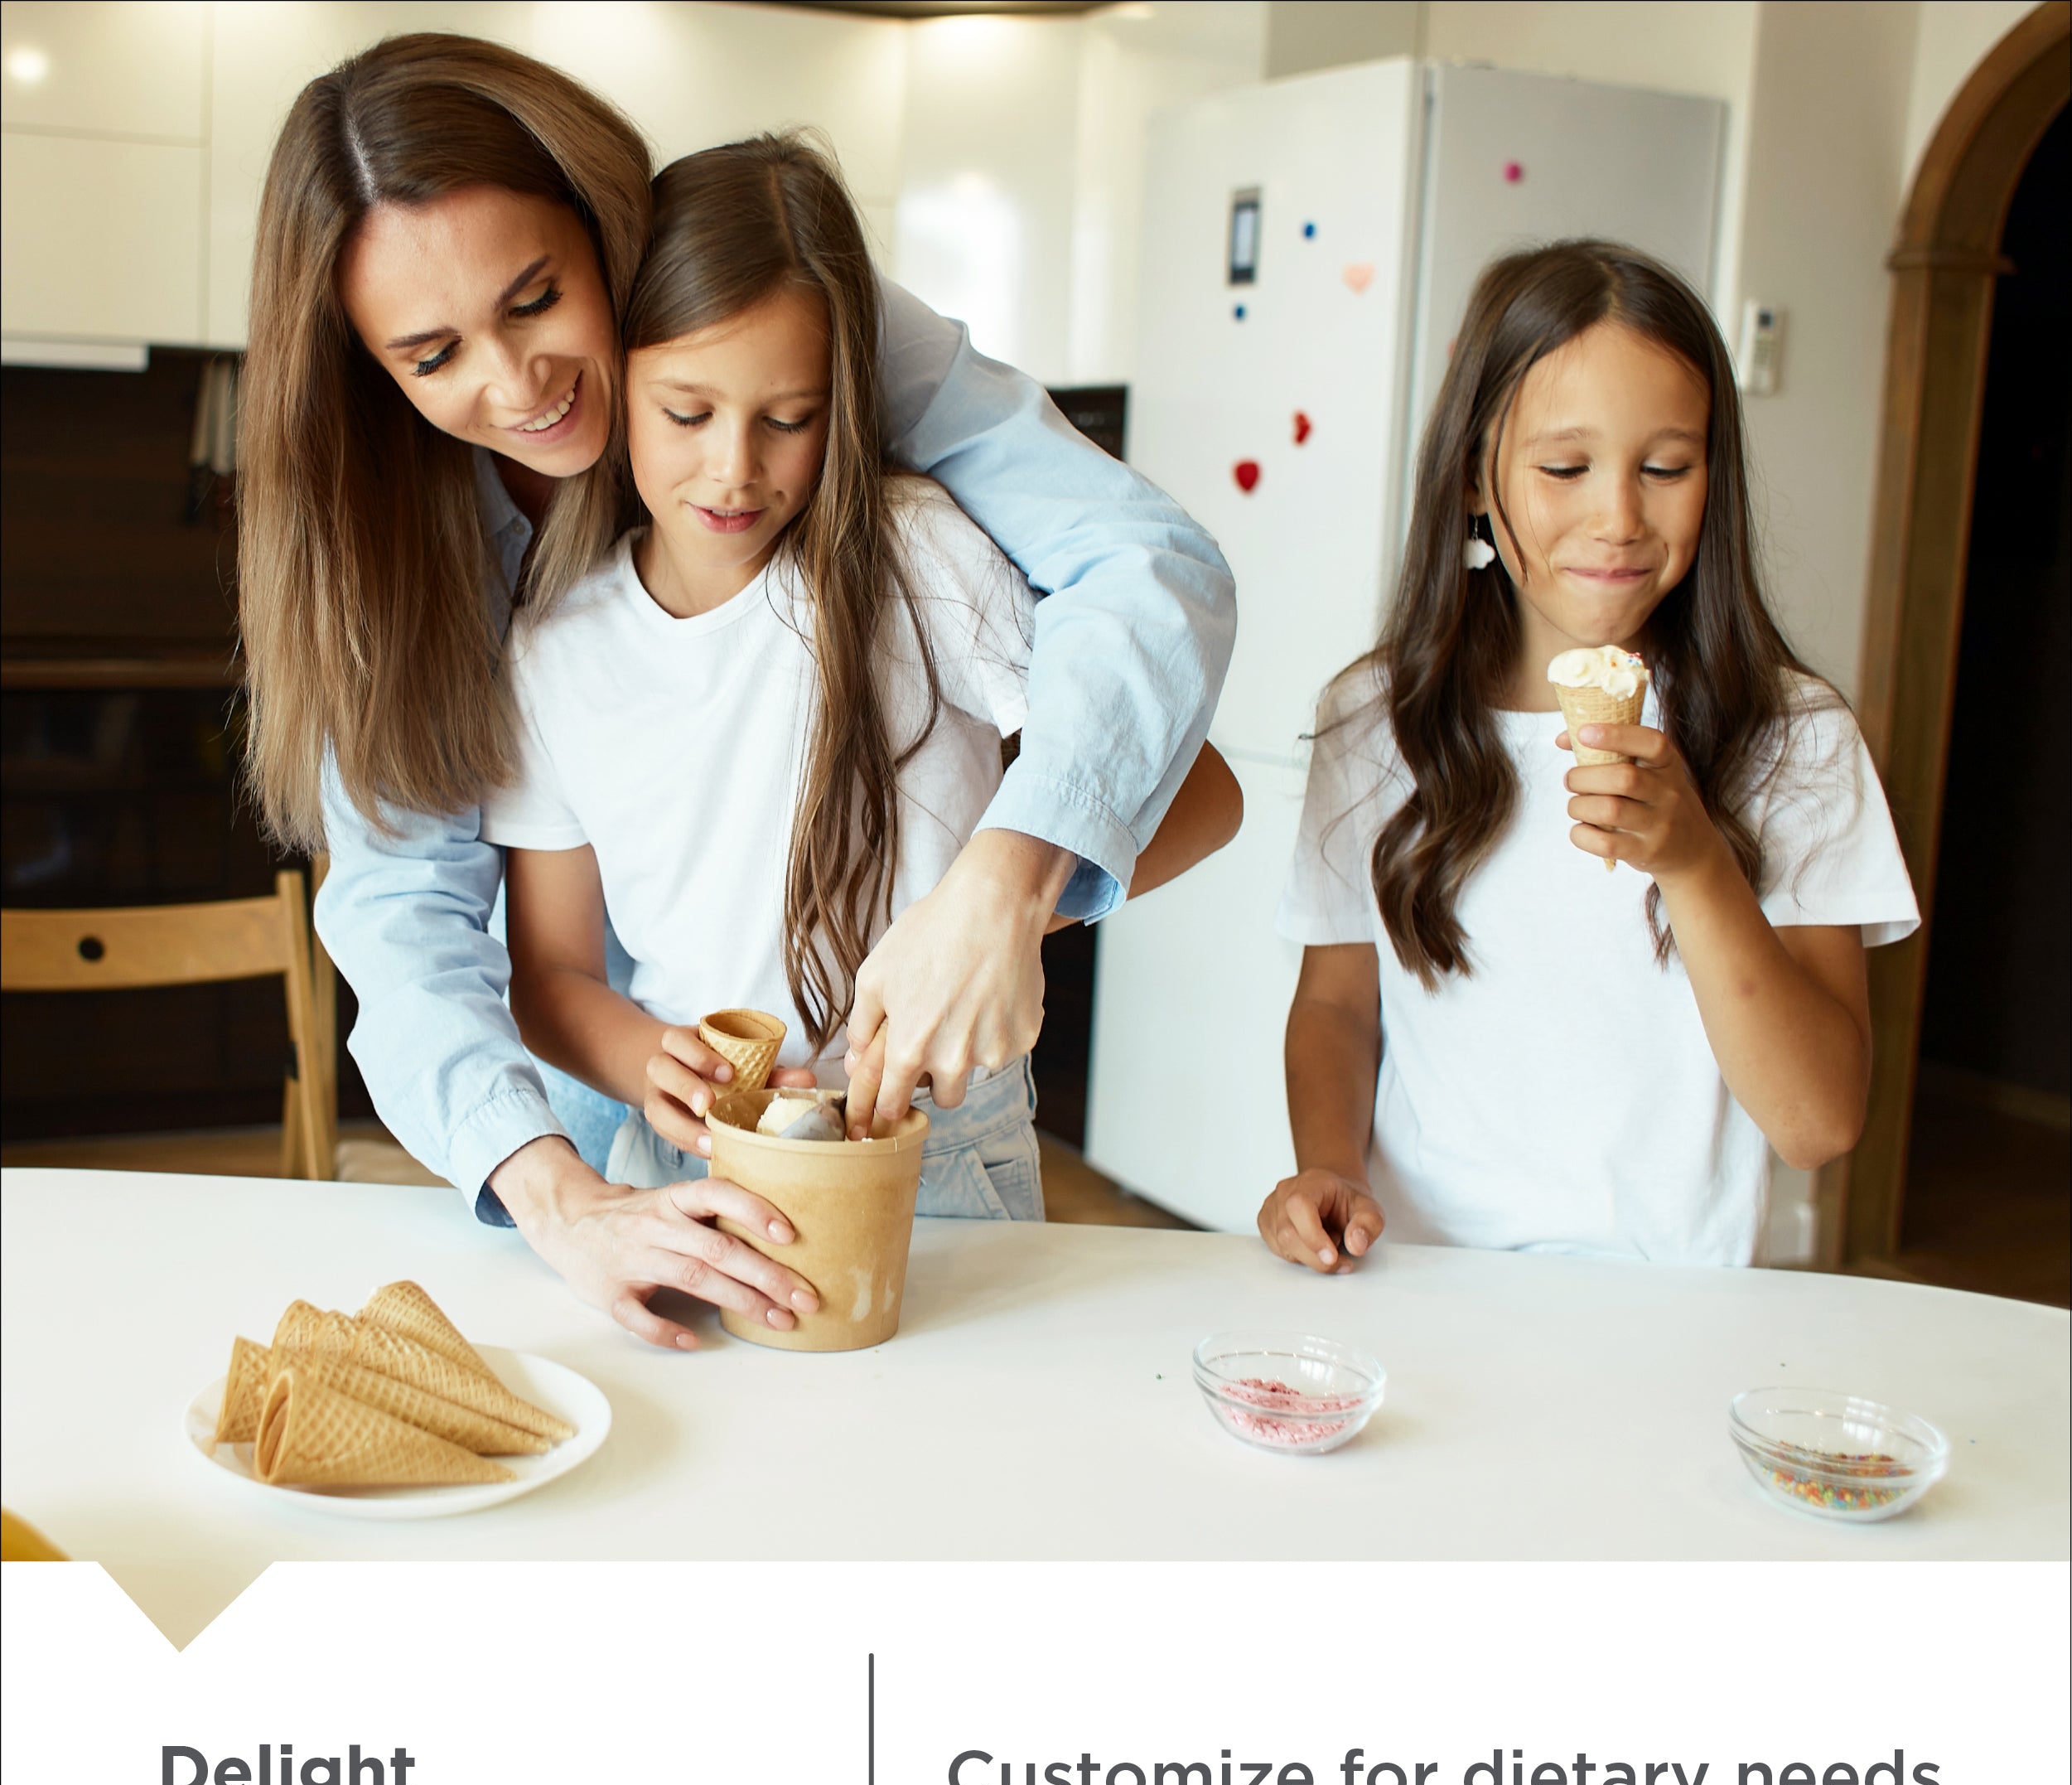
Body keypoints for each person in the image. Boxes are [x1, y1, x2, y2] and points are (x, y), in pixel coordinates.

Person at [237, 34, 1234, 1347]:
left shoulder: (803, 361)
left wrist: (999, 890)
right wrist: (559, 1198)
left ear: (611, 237)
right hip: (630, 1149)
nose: (515, 382)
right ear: (376, 374)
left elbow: (1141, 565)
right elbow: (411, 920)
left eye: (537, 298)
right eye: (433, 357)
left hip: (943, 1144)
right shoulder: (501, 616)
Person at [485, 138, 1240, 1344]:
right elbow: (554, 976)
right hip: (686, 1177)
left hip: (946, 1157)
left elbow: (1205, 799)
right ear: (614, 384)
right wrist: (647, 1064)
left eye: (792, 419)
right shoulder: (554, 648)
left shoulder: (925, 556)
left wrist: (996, 918)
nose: (736, 469)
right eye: (686, 413)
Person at [1258, 240, 1917, 1271]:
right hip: (1421, 1284)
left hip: (1667, 1310)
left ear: (1713, 479)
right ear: (1476, 478)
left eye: (1665, 467)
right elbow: (1338, 1002)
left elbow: (1817, 1121)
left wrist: (1696, 862)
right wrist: (1326, 1162)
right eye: (1564, 468)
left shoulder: (1789, 738)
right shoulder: (1378, 716)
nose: (1617, 515)